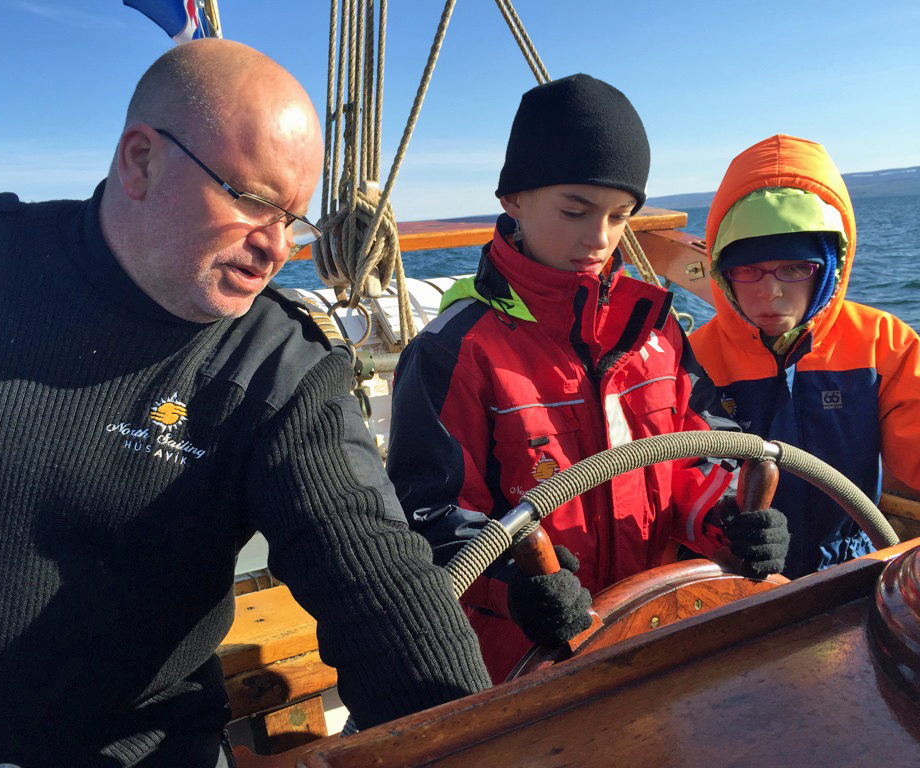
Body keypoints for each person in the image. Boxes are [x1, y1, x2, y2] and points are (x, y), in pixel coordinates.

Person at [0, 39, 490, 768]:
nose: (276, 248)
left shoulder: (276, 365)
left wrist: (474, 748)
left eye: (293, 219)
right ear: (140, 161)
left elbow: (379, 581)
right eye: (251, 199)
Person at [385, 74, 790, 684]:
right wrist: (516, 585)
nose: (598, 239)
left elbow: (702, 453)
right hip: (521, 662)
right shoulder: (454, 352)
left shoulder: (657, 332)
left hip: (655, 630)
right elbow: (424, 512)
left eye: (620, 216)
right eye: (575, 210)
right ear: (514, 199)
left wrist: (731, 519)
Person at [690, 133, 920, 578]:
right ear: (722, 272)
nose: (770, 292)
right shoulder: (693, 359)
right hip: (732, 578)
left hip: (852, 571)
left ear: (829, 268)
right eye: (747, 270)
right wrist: (725, 530)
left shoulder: (883, 342)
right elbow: (682, 479)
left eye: (794, 268)